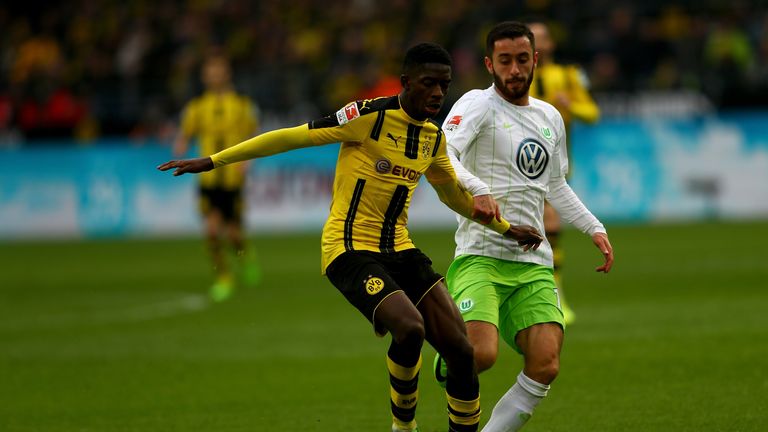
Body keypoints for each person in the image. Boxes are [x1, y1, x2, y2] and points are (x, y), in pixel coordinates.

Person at [159, 43, 544, 432]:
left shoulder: (432, 139)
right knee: (410, 329)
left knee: (462, 351)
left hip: (402, 250)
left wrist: (507, 230)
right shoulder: (367, 116)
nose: (437, 94)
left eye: (444, 86)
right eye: (428, 84)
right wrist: (214, 160)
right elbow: (291, 137)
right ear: (406, 82)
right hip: (349, 250)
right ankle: (404, 427)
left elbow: (457, 199)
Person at [433, 22, 614, 431]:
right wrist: (478, 190)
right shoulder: (479, 104)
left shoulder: (549, 116)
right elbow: (443, 152)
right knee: (480, 355)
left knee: (547, 363)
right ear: (489, 64)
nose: (514, 70)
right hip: (482, 256)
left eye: (521, 60)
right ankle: (451, 354)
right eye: (504, 61)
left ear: (535, 60)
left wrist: (594, 227)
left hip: (532, 262)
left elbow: (556, 185)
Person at [527, 20, 601, 324]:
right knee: (540, 229)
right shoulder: (518, 76)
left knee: (548, 229)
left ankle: (554, 297)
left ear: (551, 44)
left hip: (554, 166)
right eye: (532, 39)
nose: (538, 44)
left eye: (542, 37)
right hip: (520, 163)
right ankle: (547, 298)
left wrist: (571, 105)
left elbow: (592, 113)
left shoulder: (568, 76)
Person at [172, 54, 261, 302]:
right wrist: (179, 144)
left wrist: (247, 161)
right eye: (210, 71)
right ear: (204, 76)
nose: (214, 75)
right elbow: (185, 135)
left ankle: (246, 255)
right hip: (208, 180)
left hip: (232, 179)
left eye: (218, 70)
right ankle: (223, 277)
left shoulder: (242, 105)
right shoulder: (197, 108)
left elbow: (255, 136)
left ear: (227, 73)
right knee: (211, 231)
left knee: (233, 234)